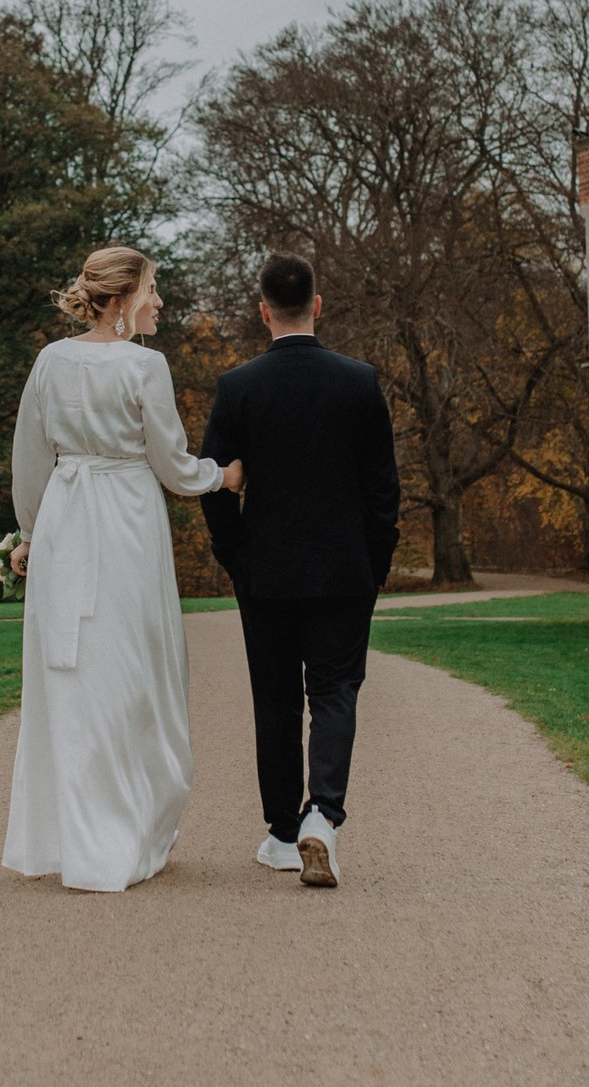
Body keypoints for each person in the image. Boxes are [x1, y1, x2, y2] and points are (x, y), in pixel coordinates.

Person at [3, 246, 244, 892]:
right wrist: (220, 474)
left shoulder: (51, 361)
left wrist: (30, 533)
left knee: (72, 673)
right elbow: (170, 461)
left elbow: (31, 457)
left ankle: (74, 836)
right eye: (152, 290)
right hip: (127, 524)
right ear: (121, 299)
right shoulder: (145, 366)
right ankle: (127, 829)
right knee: (138, 672)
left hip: (66, 521)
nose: (159, 302)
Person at [198, 252, 400, 888]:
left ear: (263, 311)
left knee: (277, 699)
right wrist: (375, 567)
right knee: (335, 694)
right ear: (317, 305)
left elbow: (212, 484)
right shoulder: (359, 382)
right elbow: (383, 493)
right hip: (345, 571)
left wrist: (237, 556)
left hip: (267, 573)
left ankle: (284, 835)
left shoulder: (238, 387)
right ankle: (324, 818)